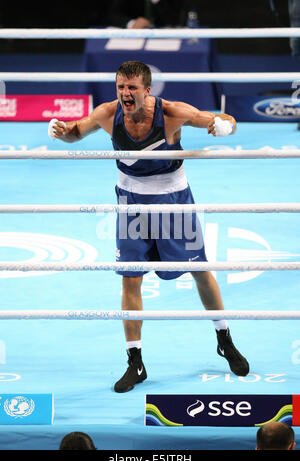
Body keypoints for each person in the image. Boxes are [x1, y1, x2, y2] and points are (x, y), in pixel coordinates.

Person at [48, 60, 249, 393]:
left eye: (132, 88)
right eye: (121, 88)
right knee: (131, 278)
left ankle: (224, 339)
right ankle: (135, 361)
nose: (126, 94)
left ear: (147, 90)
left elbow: (222, 121)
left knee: (200, 269)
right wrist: (62, 131)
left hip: (173, 199)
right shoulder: (107, 114)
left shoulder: (172, 113)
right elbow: (75, 131)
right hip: (129, 202)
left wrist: (223, 124)